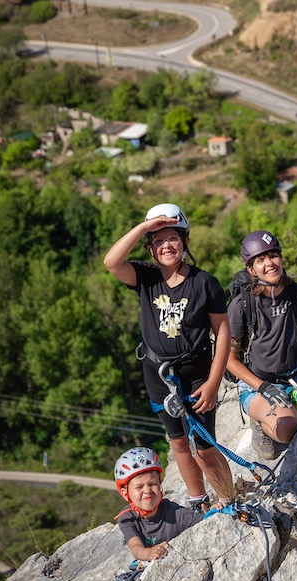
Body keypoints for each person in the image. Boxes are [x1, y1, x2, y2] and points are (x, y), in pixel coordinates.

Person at [103, 203, 234, 509]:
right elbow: (111, 262)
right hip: (159, 374)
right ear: (150, 247)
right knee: (177, 442)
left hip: (198, 372)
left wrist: (214, 383)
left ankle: (230, 500)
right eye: (158, 241)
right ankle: (198, 500)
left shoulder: (204, 283)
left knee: (204, 447)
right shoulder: (146, 278)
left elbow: (224, 333)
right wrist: (143, 228)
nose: (166, 246)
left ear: (185, 241)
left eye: (172, 238)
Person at [226, 230, 297, 460]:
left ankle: (285, 414)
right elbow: (229, 361)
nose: (270, 263)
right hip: (258, 384)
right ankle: (261, 422)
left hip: (296, 378)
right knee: (290, 430)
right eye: (260, 260)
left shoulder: (296, 294)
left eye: (273, 256)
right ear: (250, 269)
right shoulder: (242, 305)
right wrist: (264, 388)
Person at [94, 447, 205, 581]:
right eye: (139, 487)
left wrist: (214, 512)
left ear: (160, 486)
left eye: (152, 484)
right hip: (141, 570)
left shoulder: (175, 513)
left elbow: (206, 523)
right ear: (126, 493)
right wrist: (148, 553)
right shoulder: (127, 518)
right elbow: (136, 547)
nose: (147, 491)